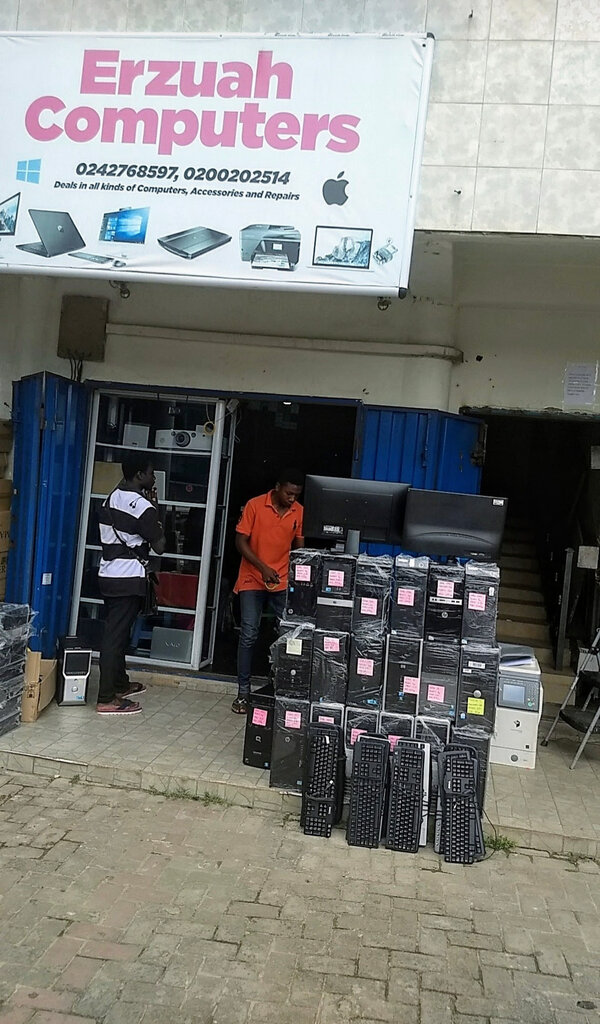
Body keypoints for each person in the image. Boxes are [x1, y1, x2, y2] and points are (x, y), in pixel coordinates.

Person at [96, 456, 166, 715]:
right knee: (115, 638)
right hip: (127, 579)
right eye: (151, 473)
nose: (154, 477)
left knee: (119, 632)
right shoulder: (141, 506)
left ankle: (120, 684)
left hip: (109, 574)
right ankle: (106, 698)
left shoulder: (111, 498)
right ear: (139, 475)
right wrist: (156, 511)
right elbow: (160, 545)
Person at [232, 468, 304, 714]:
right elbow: (240, 542)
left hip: (282, 581)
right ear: (277, 486)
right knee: (249, 633)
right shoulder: (254, 505)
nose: (292, 499)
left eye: (296, 495)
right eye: (288, 493)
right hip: (252, 578)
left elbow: (299, 549)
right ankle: (243, 692)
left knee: (289, 635)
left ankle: (283, 689)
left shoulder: (299, 512)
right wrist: (262, 567)